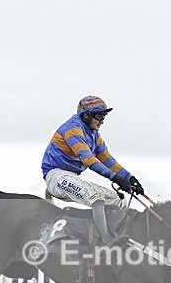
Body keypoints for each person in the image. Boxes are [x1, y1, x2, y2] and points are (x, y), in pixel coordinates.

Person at [41, 96, 145, 246]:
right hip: (55, 176)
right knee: (95, 196)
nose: (102, 121)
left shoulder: (94, 135)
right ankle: (107, 241)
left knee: (119, 200)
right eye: (100, 116)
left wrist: (130, 178)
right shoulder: (73, 129)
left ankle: (115, 234)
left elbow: (109, 161)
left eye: (104, 117)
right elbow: (89, 160)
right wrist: (115, 178)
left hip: (71, 177)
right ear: (86, 115)